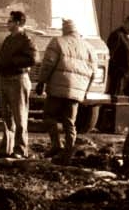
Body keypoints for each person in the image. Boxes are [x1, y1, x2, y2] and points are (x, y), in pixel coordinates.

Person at [41, 17, 97, 163]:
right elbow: (94, 73)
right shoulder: (89, 47)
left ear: (65, 28)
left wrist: (41, 81)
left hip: (57, 89)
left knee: (48, 116)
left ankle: (56, 144)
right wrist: (85, 91)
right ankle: (68, 152)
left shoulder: (58, 42)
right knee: (69, 121)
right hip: (77, 92)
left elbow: (48, 64)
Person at [0, 9, 39, 159]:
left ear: (18, 23)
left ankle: (20, 149)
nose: (7, 23)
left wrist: (13, 62)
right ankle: (7, 148)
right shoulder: (9, 39)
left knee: (20, 117)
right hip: (5, 79)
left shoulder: (26, 40)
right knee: (7, 116)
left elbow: (33, 59)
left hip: (18, 80)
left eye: (10, 21)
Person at [106, 14, 129, 108]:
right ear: (124, 23)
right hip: (121, 76)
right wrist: (118, 72)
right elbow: (110, 55)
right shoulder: (117, 35)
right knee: (117, 101)